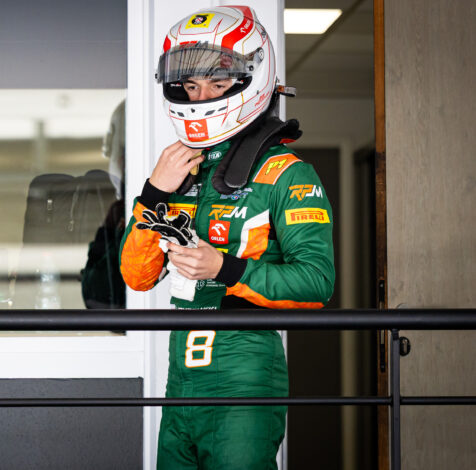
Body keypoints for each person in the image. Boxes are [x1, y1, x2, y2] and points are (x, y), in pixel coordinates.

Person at [119, 6, 335, 470]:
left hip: (245, 369)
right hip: (181, 374)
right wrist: (154, 192)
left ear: (249, 80)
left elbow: (317, 282)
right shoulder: (179, 170)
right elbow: (136, 277)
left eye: (218, 84)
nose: (202, 96)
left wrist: (225, 269)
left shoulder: (287, 173)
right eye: (192, 86)